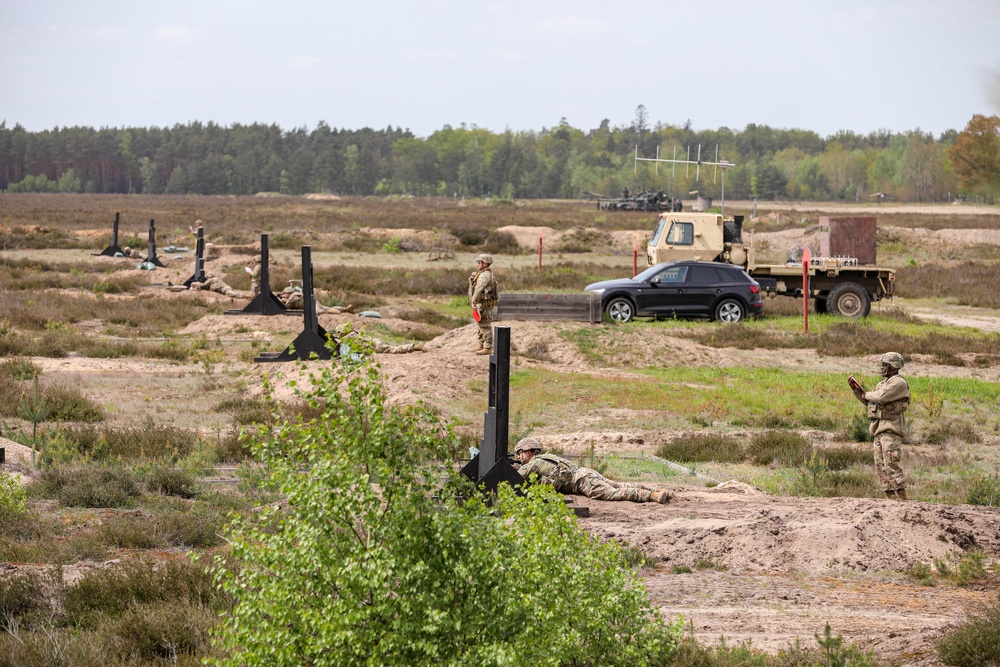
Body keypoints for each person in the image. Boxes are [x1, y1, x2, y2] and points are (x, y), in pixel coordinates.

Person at [512, 438, 670, 504]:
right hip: (585, 473)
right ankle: (657, 490)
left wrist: (512, 469)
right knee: (617, 485)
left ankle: (653, 496)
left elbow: (514, 479)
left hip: (582, 482)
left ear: (528, 452)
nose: (519, 457)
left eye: (519, 453)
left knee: (614, 493)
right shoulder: (546, 458)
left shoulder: (532, 465)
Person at [849, 352, 910, 500]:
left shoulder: (898, 382)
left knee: (892, 465)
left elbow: (880, 397)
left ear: (893, 366)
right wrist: (857, 391)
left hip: (891, 430)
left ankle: (903, 500)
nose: (882, 368)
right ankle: (890, 499)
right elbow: (871, 402)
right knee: (880, 467)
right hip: (879, 431)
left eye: (885, 365)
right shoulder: (882, 384)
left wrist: (867, 394)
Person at [468, 253, 498, 355]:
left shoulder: (484, 276)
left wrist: (474, 301)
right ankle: (481, 344)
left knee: (485, 325)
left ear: (484, 264)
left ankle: (487, 347)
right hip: (482, 304)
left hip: (485, 305)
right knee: (480, 325)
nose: (477, 264)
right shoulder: (483, 274)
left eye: (479, 262)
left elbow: (478, 289)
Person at [334, 322, 423, 354]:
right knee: (394, 347)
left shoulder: (348, 337)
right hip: (376, 341)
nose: (338, 335)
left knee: (394, 350)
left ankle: (414, 347)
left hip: (375, 346)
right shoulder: (353, 333)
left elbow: (340, 343)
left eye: (339, 333)